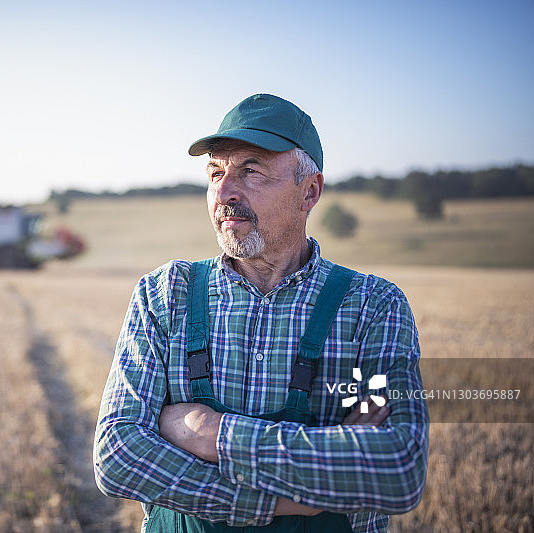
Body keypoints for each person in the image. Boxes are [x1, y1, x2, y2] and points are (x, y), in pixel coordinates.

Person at [93, 94, 428, 533]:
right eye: (216, 172)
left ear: (309, 192)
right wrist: (277, 503)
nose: (225, 191)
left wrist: (207, 431)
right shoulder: (164, 294)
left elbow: (397, 469)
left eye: (250, 171)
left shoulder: (372, 306)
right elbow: (118, 456)